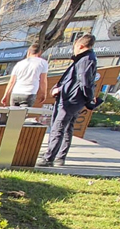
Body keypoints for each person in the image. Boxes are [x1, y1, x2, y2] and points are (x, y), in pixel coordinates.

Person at [37, 34, 98, 168]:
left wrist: (89, 100)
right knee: (66, 128)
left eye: (74, 47)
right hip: (71, 98)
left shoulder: (86, 60)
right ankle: (58, 157)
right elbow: (77, 81)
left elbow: (85, 82)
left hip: (71, 100)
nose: (73, 50)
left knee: (58, 128)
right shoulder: (85, 59)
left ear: (80, 46)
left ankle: (49, 158)